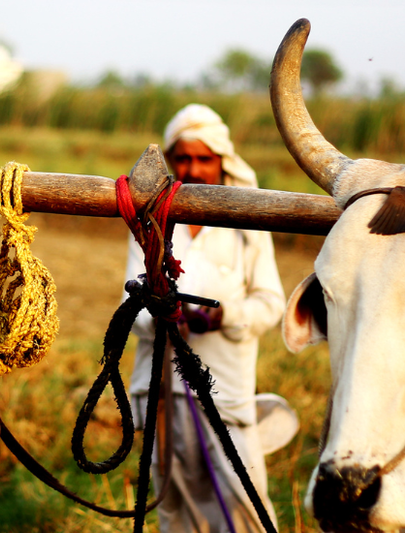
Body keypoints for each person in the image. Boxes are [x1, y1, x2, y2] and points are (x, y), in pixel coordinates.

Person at [125, 104, 294, 533]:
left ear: (223, 162)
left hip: (225, 388)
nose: (194, 168)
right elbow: (131, 299)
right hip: (160, 386)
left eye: (205, 159)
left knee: (244, 499)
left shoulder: (247, 219)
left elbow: (270, 302)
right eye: (183, 157)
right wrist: (164, 316)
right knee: (172, 502)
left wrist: (225, 317)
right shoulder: (151, 219)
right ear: (171, 158)